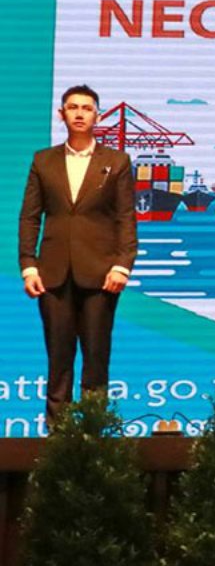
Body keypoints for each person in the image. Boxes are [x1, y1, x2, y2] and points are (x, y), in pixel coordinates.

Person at [17, 85, 136, 424]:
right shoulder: (43, 160)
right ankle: (58, 438)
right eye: (73, 107)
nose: (80, 113)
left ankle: (93, 436)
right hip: (52, 274)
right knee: (58, 359)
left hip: (101, 274)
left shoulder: (116, 161)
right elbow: (30, 217)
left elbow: (126, 218)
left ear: (97, 116)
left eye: (86, 108)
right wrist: (28, 266)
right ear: (62, 114)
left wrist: (122, 266)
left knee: (96, 359)